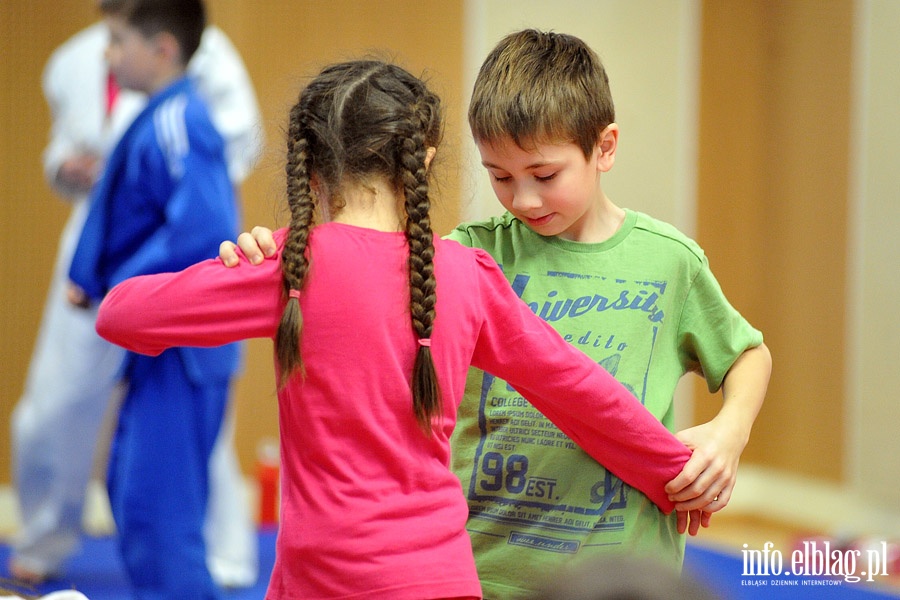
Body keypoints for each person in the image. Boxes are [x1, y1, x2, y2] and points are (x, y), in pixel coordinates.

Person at [92, 58, 721, 599]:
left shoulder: (292, 264)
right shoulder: (464, 273)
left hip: (321, 577)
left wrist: (239, 258)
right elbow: (578, 388)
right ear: (422, 156)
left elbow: (122, 313)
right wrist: (676, 474)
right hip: (439, 575)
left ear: (310, 165)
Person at [9, 2, 262, 590]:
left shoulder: (183, 120)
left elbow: (202, 229)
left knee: (159, 510)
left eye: (120, 41)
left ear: (163, 49)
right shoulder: (158, 117)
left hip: (182, 352)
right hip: (156, 346)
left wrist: (115, 282)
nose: (109, 54)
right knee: (131, 493)